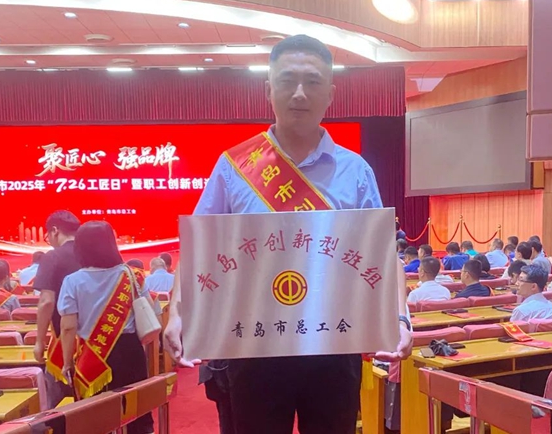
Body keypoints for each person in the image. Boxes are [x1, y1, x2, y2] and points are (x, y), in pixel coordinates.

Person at [163, 35, 412, 434]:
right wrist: (178, 313)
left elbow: (383, 256)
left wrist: (399, 318)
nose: (299, 93)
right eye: (287, 81)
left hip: (334, 344)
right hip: (254, 343)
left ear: (330, 94)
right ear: (268, 90)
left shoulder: (356, 171)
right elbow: (198, 250)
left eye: (312, 82)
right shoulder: (234, 167)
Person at [58, 221, 154, 434]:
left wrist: (67, 362)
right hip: (130, 350)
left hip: (91, 353)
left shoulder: (72, 281)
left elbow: (68, 328)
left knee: (95, 415)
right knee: (137, 409)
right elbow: (151, 309)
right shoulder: (132, 275)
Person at [33, 210, 81, 407]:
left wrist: (39, 341)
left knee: (57, 402)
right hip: (97, 341)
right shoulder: (93, 255)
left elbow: (46, 301)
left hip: (65, 339)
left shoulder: (52, 257)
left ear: (54, 231)